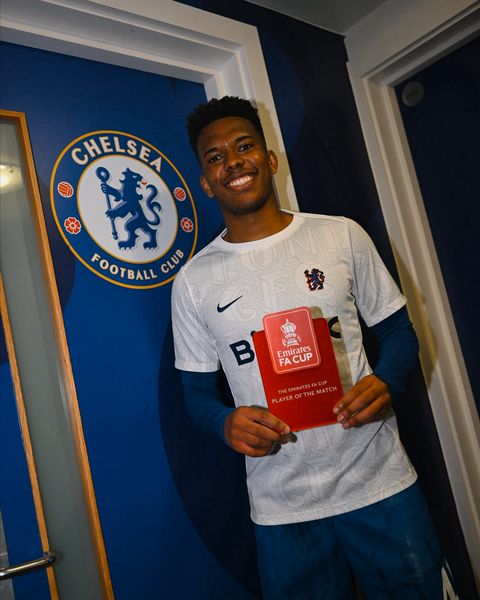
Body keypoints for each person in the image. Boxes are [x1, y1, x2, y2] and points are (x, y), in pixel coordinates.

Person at [171, 96, 444, 599]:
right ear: (206, 182)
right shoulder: (192, 281)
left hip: (379, 483)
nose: (233, 162)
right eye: (215, 157)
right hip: (282, 506)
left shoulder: (340, 236)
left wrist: (386, 380)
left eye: (244, 146)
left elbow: (399, 332)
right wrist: (226, 423)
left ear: (270, 158)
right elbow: (196, 395)